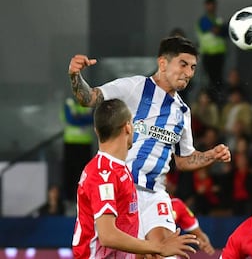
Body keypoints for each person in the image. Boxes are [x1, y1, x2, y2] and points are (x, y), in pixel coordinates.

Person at [68, 36, 231, 258]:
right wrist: (75, 76)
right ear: (163, 63)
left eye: (193, 67)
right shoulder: (134, 87)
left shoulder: (182, 112)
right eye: (183, 64)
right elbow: (90, 98)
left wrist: (210, 155)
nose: (189, 73)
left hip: (155, 193)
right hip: (123, 189)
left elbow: (184, 160)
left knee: (168, 252)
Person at [72, 99, 198, 259]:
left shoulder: (118, 169)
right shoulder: (103, 173)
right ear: (127, 127)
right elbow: (108, 236)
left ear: (97, 131)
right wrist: (158, 246)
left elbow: (122, 235)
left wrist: (146, 252)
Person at [61, 96, 94, 202]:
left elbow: (91, 119)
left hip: (85, 144)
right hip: (70, 143)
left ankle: (83, 198)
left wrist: (77, 117)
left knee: (84, 174)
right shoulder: (68, 103)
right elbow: (70, 119)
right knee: (70, 173)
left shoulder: (89, 104)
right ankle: (69, 199)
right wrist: (82, 118)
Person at [196, 0, 227, 102]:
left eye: (212, 5)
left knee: (218, 79)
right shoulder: (203, 20)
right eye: (209, 5)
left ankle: (218, 99)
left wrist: (220, 29)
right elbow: (215, 29)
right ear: (206, 6)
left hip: (219, 53)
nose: (211, 7)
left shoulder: (219, 18)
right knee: (210, 79)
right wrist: (219, 29)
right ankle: (210, 99)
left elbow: (225, 31)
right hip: (208, 54)